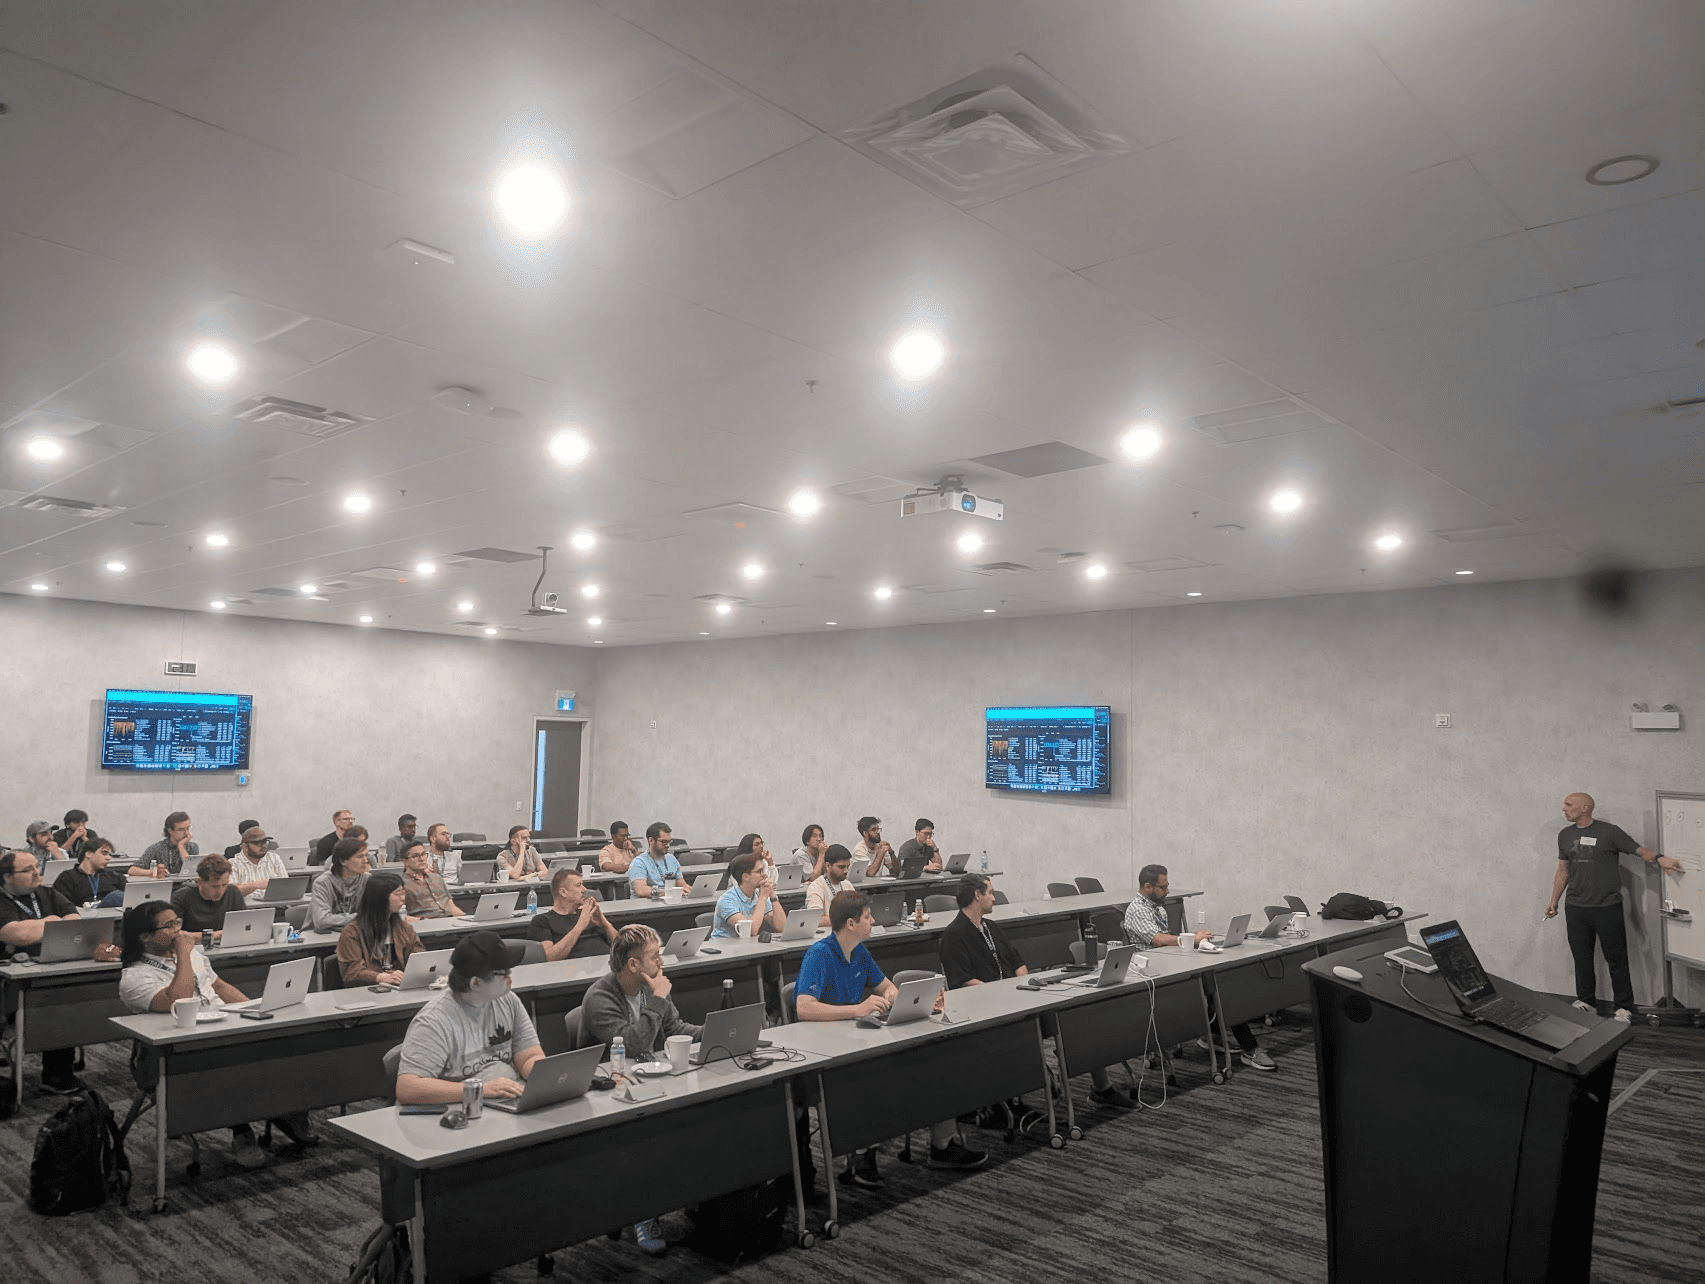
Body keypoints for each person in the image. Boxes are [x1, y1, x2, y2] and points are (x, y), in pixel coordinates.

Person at [118, 901, 317, 1163]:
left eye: (178, 922)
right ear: (145, 937)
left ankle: (284, 1111)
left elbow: (220, 987)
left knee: (286, 1047)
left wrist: (256, 1013)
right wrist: (185, 954)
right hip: (176, 1054)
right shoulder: (134, 977)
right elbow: (180, 998)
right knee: (236, 1067)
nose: (179, 930)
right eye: (170, 926)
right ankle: (242, 1130)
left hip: (222, 1031)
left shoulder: (191, 955)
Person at [941, 874, 1134, 1108]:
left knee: (1080, 1017)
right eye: (990, 893)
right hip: (988, 1008)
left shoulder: (990, 927)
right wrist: (1005, 992)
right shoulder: (954, 934)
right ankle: (1035, 1077)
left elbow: (1016, 961)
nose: (994, 898)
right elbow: (961, 981)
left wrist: (1026, 985)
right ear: (977, 895)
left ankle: (1101, 1088)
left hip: (1017, 997)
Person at [580, 923, 702, 1257]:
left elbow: (675, 1028)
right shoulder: (600, 997)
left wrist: (715, 1031)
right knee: (646, 1134)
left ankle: (701, 1192)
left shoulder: (651, 988)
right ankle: (642, 1214)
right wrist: (659, 999)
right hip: (607, 1094)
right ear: (633, 965)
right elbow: (632, 1045)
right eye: (654, 956)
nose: (661, 962)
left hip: (647, 1081)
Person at [795, 890, 914, 1186]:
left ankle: (867, 1146)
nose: (873, 921)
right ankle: (861, 1151)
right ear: (850, 923)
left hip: (851, 1037)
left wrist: (892, 996)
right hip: (823, 1046)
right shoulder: (819, 954)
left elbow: (886, 986)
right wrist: (857, 1009)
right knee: (866, 1074)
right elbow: (803, 1007)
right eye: (868, 917)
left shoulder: (859, 951)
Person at [1547, 792, 1684, 1022]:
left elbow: (1639, 851)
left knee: (1616, 959)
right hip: (1576, 907)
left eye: (1569, 805)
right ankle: (1587, 1002)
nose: (1564, 809)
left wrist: (1660, 858)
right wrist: (1553, 901)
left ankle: (1623, 1007)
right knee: (1581, 957)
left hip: (1607, 907)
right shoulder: (1564, 835)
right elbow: (1562, 870)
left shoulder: (1609, 832)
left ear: (1585, 807)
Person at [1123, 864, 1276, 1071]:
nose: (1167, 891)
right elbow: (1158, 940)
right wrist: (1192, 939)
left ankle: (1213, 1035)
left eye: (1167, 886)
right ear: (1148, 887)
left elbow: (1166, 942)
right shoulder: (1137, 910)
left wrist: (1197, 942)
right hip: (1153, 975)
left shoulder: (1156, 907)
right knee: (1220, 992)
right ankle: (1249, 1048)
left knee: (1219, 986)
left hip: (1168, 964)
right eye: (1163, 887)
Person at [1, 850, 119, 1093]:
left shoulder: (47, 893)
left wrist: (42, 926)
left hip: (55, 966)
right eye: (28, 870)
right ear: (7, 877)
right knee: (52, 1002)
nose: (37, 873)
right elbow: (14, 934)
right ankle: (54, 1072)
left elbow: (75, 920)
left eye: (36, 866)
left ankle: (58, 1071)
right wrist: (52, 922)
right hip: (12, 978)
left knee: (66, 999)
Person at [394, 931, 543, 1103]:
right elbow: (408, 1088)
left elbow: (528, 1056)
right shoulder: (434, 1020)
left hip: (505, 1099)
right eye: (504, 973)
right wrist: (479, 1090)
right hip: (463, 1109)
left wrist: (542, 1074)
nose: (510, 979)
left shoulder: (508, 1001)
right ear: (476, 983)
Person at [337, 873, 423, 986]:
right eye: (398, 893)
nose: (403, 898)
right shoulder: (352, 932)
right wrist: (383, 977)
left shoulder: (404, 928)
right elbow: (352, 973)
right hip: (368, 990)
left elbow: (419, 957)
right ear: (381, 897)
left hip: (398, 986)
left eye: (403, 892)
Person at [529, 868, 617, 960]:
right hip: (575, 971)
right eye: (578, 885)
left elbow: (622, 947)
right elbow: (549, 957)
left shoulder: (590, 915)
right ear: (563, 892)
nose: (584, 890)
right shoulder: (542, 921)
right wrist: (580, 926)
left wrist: (605, 924)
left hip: (608, 966)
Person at [712, 851, 788, 940]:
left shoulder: (758, 893)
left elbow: (781, 928)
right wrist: (763, 898)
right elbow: (751, 931)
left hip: (747, 946)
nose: (764, 875)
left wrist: (773, 896)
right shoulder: (726, 900)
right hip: (724, 949)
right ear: (746, 877)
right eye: (759, 871)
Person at [171, 855, 247, 937]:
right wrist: (210, 936)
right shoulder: (182, 897)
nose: (220, 891)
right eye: (214, 886)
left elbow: (244, 926)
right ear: (199, 881)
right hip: (193, 947)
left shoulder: (233, 893)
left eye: (224, 885)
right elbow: (173, 932)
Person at [311, 836, 370, 933]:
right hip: (323, 940)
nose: (366, 860)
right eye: (360, 856)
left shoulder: (367, 879)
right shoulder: (322, 883)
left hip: (355, 935)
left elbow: (376, 915)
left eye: (366, 855)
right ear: (343, 861)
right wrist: (360, 917)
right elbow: (321, 921)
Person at [52, 833, 127, 908]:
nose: (108, 858)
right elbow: (61, 905)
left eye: (110, 855)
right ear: (88, 854)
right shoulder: (67, 877)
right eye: (104, 853)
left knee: (119, 896)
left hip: (113, 917)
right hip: (83, 916)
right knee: (117, 896)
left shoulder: (114, 876)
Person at [401, 838, 464, 919]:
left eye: (423, 854)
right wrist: (421, 921)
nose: (421, 858)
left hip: (449, 921)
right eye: (415, 856)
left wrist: (466, 919)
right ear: (405, 862)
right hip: (426, 924)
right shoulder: (401, 884)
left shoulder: (436, 878)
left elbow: (451, 906)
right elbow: (399, 917)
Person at [629, 823, 689, 897]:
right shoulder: (638, 863)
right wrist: (668, 892)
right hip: (647, 906)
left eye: (669, 841)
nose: (668, 845)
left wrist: (687, 888)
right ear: (651, 840)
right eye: (664, 842)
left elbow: (680, 882)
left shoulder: (671, 859)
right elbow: (641, 891)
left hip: (669, 903)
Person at [230, 826, 289, 902]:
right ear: (244, 847)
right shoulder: (232, 864)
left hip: (275, 905)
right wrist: (255, 885)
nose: (263, 846)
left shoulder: (274, 859)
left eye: (264, 842)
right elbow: (232, 894)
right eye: (257, 843)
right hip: (248, 909)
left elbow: (286, 887)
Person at [805, 844, 855, 928]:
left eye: (848, 866)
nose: (846, 871)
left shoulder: (847, 885)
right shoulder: (816, 887)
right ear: (828, 866)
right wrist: (846, 919)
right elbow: (816, 919)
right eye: (841, 867)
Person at [138, 810, 197, 877]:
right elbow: (132, 870)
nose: (186, 833)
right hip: (165, 885)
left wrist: (181, 846)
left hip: (186, 885)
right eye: (181, 830)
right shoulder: (157, 848)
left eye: (188, 828)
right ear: (170, 831)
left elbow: (190, 870)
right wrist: (153, 872)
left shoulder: (193, 847)